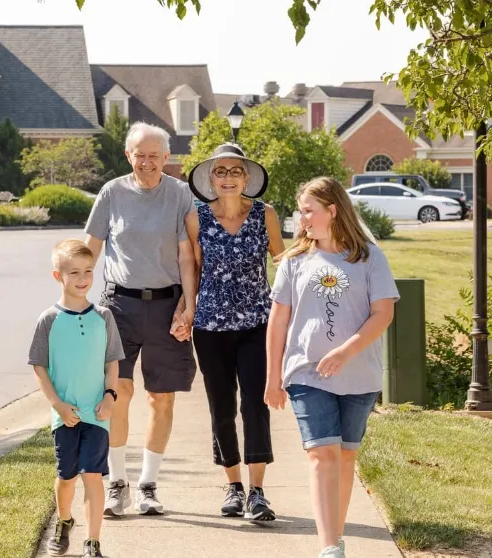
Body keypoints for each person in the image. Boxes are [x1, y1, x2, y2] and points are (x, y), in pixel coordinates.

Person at [265, 177, 400, 558]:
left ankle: (334, 538)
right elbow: (278, 322)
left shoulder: (370, 257)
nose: (302, 218)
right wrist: (273, 377)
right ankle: (329, 549)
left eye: (309, 210)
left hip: (360, 375)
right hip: (306, 373)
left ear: (333, 210)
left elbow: (383, 313)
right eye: (301, 211)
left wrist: (345, 351)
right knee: (321, 453)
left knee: (344, 456)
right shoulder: (295, 261)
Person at [85, 122, 197, 517]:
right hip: (119, 305)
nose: (147, 162)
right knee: (118, 394)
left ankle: (148, 484)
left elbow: (187, 256)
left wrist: (189, 304)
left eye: (155, 155)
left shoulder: (180, 194)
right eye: (140, 154)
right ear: (128, 155)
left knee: (161, 397)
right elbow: (91, 248)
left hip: (168, 305)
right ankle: (118, 483)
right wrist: (75, 298)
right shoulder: (112, 192)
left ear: (167, 158)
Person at [185, 143, 285, 520]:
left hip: (257, 324)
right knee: (221, 406)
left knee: (255, 404)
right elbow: (193, 271)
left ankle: (258, 492)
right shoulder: (197, 219)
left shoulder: (265, 214)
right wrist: (187, 309)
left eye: (235, 171)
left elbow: (282, 262)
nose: (228, 178)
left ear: (247, 177)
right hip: (210, 327)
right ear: (211, 179)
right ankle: (233, 486)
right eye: (221, 171)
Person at [28, 239, 124, 558]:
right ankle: (65, 520)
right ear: (59, 276)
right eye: (74, 273)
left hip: (96, 412)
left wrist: (110, 398)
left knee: (92, 475)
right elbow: (39, 367)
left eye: (88, 271)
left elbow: (112, 362)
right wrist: (57, 404)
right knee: (66, 477)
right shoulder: (49, 320)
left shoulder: (104, 317)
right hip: (65, 414)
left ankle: (92, 542)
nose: (82, 279)